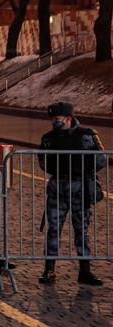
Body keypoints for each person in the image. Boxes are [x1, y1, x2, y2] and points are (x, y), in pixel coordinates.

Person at [37, 101, 105, 286]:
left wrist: (82, 169)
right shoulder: (48, 138)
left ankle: (85, 271)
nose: (54, 122)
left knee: (81, 230)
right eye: (52, 119)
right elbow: (42, 162)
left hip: (79, 188)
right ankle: (49, 269)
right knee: (53, 230)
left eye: (57, 119)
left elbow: (101, 160)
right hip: (58, 188)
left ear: (68, 118)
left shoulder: (87, 135)